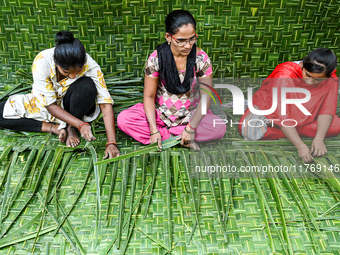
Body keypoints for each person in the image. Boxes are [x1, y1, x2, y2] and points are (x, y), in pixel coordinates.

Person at [117, 10, 226, 150]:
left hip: (190, 116)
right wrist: (154, 130)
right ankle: (175, 137)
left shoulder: (201, 59)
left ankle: (174, 136)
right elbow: (149, 97)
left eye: (192, 39)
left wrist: (191, 128)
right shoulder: (156, 58)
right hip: (160, 115)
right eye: (181, 40)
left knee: (219, 128)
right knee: (124, 120)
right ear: (168, 37)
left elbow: (206, 98)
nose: (187, 45)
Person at [1, 31, 120, 159]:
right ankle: (53, 128)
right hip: (47, 106)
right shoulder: (42, 61)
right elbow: (50, 105)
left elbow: (105, 104)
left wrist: (111, 142)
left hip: (75, 106)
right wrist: (81, 124)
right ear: (56, 62)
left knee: (86, 85)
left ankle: (70, 128)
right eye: (67, 72)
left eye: (78, 71)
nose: (73, 76)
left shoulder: (90, 64)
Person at [239, 47, 340, 163]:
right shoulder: (285, 75)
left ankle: (281, 128)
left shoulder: (331, 79)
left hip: (304, 112)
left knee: (336, 126)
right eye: (307, 75)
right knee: (248, 129)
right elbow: (283, 116)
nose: (310, 81)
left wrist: (319, 138)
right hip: (272, 107)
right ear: (303, 64)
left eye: (317, 80)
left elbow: (326, 111)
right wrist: (300, 146)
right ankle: (289, 130)